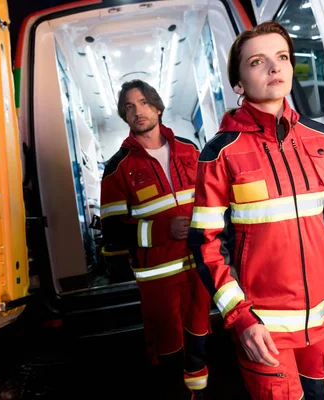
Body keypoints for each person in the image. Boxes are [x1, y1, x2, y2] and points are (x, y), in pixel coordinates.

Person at [188, 21, 324, 400]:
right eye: (257, 61)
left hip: (322, 317)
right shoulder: (220, 153)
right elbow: (206, 244)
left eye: (282, 57)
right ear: (239, 84)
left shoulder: (322, 139)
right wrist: (241, 319)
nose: (274, 68)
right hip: (263, 325)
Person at [100, 79, 211, 399]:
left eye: (144, 103)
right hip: (159, 277)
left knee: (199, 337)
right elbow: (112, 233)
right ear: (124, 116)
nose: (138, 111)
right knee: (168, 345)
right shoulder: (117, 168)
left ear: (158, 107)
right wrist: (163, 230)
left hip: (198, 266)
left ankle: (199, 394)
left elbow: (211, 199)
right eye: (129, 107)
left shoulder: (190, 150)